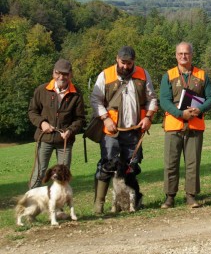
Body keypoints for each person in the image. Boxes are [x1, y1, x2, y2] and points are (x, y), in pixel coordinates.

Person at [90, 46, 158, 214]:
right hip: (111, 131)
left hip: (134, 130)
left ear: (134, 61)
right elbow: (95, 99)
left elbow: (152, 99)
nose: (126, 66)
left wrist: (148, 118)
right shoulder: (105, 75)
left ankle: (130, 203)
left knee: (131, 167)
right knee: (107, 164)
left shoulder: (143, 74)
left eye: (129, 63)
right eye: (123, 62)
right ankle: (99, 204)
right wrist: (105, 118)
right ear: (117, 59)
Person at [159, 42, 211, 209]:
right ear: (176, 55)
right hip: (173, 125)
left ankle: (191, 196)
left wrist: (199, 109)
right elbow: (164, 100)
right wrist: (179, 113)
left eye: (187, 53)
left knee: (193, 162)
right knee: (171, 162)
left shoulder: (203, 75)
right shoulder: (168, 76)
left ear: (192, 55)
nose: (183, 56)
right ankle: (169, 197)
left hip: (195, 125)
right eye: (180, 53)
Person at [28, 59, 86, 189]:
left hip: (65, 141)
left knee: (63, 175)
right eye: (57, 73)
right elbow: (32, 112)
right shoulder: (42, 90)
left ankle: (58, 205)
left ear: (71, 75)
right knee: (39, 172)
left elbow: (80, 119)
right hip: (45, 139)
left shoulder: (77, 93)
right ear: (53, 73)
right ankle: (31, 203)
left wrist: (70, 130)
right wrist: (42, 123)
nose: (61, 77)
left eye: (65, 74)